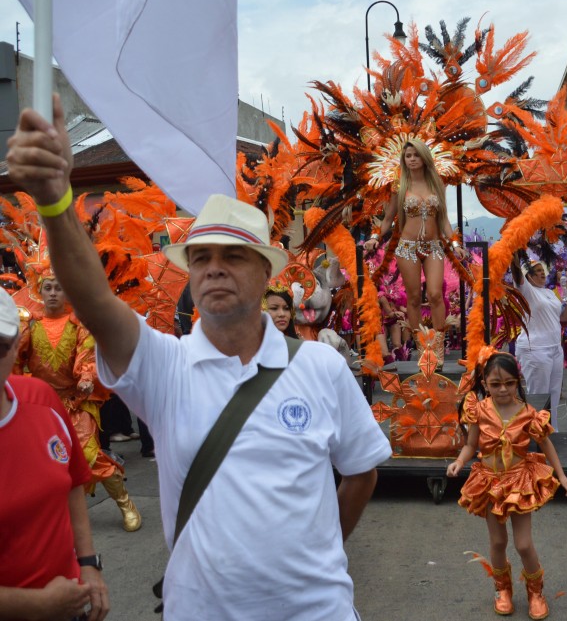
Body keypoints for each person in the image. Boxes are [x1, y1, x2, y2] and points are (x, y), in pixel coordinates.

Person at [5, 96, 392, 621]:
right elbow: (95, 302)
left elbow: (361, 471)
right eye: (201, 257)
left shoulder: (320, 367)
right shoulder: (166, 367)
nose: (214, 268)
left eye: (233, 256)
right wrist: (54, 202)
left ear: (264, 274)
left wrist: (316, 552)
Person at [0, 290, 110, 621]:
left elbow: (72, 483)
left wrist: (88, 564)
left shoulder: (39, 398)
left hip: (70, 605)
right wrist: (37, 606)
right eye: (46, 287)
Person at [446, 351, 567, 619]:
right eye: (495, 384)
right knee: (498, 541)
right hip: (490, 482)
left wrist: (561, 475)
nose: (503, 389)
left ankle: (535, 591)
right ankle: (502, 590)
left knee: (524, 544)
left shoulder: (529, 414)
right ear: (484, 383)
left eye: (509, 383)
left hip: (519, 483)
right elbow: (471, 445)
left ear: (518, 382)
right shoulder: (478, 411)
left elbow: (547, 444)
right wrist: (459, 461)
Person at [15, 276, 142, 533]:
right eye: (47, 288)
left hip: (77, 401)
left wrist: (86, 377)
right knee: (46, 460)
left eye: (58, 288)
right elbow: (15, 360)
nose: (52, 294)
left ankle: (125, 503)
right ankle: (54, 514)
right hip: (43, 404)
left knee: (88, 453)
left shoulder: (79, 324)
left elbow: (88, 356)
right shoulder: (29, 324)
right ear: (39, 292)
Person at [362, 140, 466, 355]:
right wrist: (374, 238)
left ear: (424, 157)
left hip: (434, 246)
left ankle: (437, 345)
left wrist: (455, 244)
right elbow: (387, 219)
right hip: (407, 248)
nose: (411, 159)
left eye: (416, 155)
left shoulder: (437, 183)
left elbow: (444, 219)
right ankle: (422, 347)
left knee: (436, 294)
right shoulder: (399, 187)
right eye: (408, 155)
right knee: (415, 297)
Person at [510, 260, 567, 432]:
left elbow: (565, 317)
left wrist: (566, 291)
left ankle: (552, 431)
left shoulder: (549, 293)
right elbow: (516, 272)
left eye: (543, 270)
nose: (542, 273)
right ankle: (534, 434)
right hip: (535, 350)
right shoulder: (526, 291)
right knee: (538, 394)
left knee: (553, 394)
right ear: (528, 276)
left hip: (555, 349)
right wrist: (513, 253)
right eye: (537, 271)